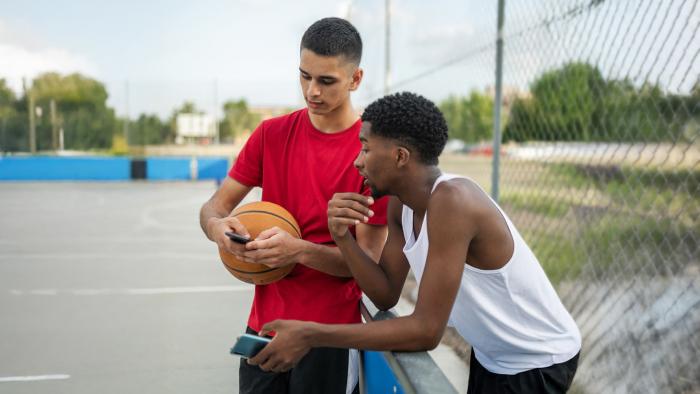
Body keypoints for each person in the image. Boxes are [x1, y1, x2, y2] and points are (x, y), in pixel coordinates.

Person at [247, 92, 582, 393]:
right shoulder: (401, 205)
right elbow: (385, 292)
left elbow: (425, 331)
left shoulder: (453, 201)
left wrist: (312, 335)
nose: (357, 161)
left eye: (365, 148)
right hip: (492, 355)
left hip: (537, 358)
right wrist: (342, 236)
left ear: (400, 156)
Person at [199, 17, 388, 394]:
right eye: (304, 76)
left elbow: (367, 262)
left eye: (326, 80)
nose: (311, 90)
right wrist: (219, 230)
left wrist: (298, 251)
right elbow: (213, 209)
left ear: (356, 79)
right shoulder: (271, 134)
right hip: (264, 326)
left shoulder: (371, 154)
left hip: (328, 335)